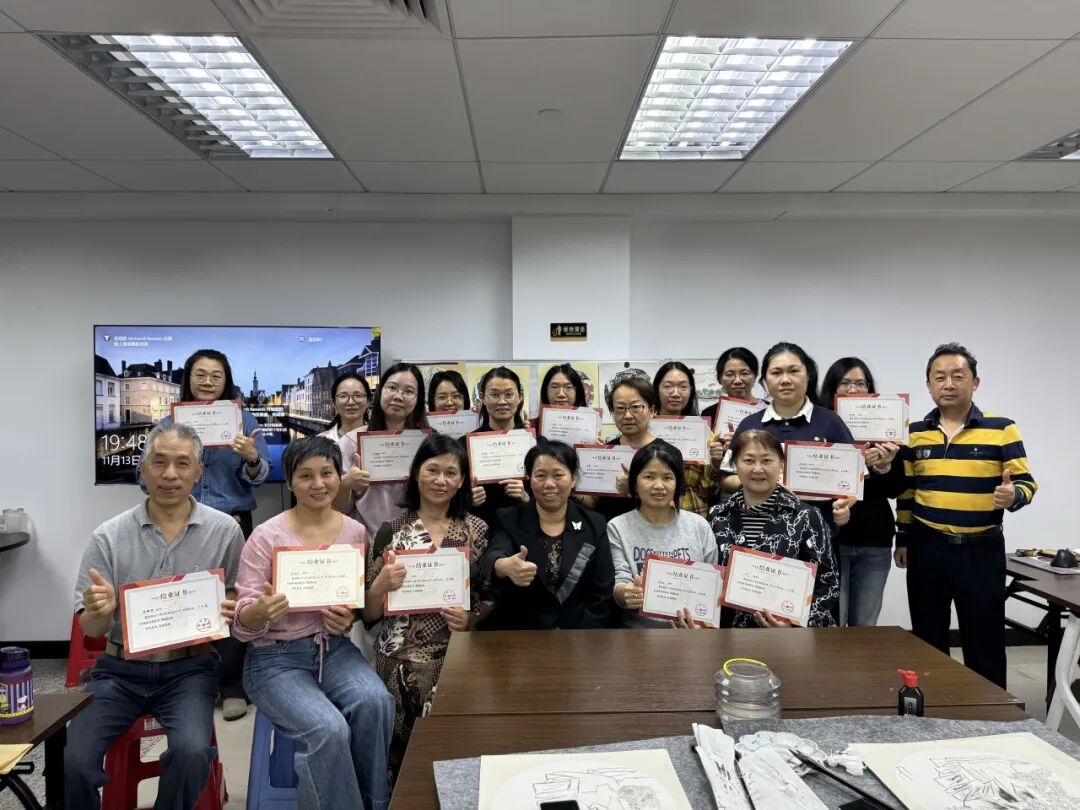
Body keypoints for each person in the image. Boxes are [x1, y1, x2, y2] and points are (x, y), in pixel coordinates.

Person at [66, 423, 244, 810]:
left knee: (192, 753)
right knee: (74, 759)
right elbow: (92, 629)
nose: (170, 474)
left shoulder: (225, 531)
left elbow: (234, 593)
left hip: (190, 670)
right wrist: (99, 612)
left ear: (198, 472)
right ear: (143, 469)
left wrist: (229, 606)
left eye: (182, 463)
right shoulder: (108, 537)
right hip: (119, 670)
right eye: (159, 462)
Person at [233, 436, 393, 810]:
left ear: (340, 476)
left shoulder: (354, 532)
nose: (318, 484)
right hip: (273, 660)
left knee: (377, 703)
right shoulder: (266, 536)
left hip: (332, 650)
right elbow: (241, 622)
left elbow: (353, 601)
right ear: (290, 482)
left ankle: (374, 803)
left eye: (327, 473)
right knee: (329, 730)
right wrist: (260, 611)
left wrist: (348, 616)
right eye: (305, 476)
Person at [895, 343, 1037, 688]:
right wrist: (903, 538)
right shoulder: (914, 432)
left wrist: (1013, 495)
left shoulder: (1002, 428)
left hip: (981, 551)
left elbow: (1026, 483)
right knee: (928, 636)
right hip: (928, 548)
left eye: (958, 376)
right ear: (929, 386)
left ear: (975, 383)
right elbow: (908, 492)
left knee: (984, 638)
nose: (948, 384)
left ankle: (989, 709)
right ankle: (934, 703)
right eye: (939, 377)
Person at [362, 435, 491, 777]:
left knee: (456, 751)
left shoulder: (477, 530)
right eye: (432, 470)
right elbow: (369, 615)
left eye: (451, 473)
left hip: (457, 656)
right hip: (399, 659)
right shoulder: (390, 532)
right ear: (416, 473)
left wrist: (470, 618)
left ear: (462, 481)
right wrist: (380, 585)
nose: (440, 480)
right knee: (404, 758)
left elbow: (488, 598)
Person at [157, 348, 270, 721]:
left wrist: (251, 456)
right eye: (200, 374)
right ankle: (185, 684)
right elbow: (145, 479)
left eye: (216, 376)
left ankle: (232, 685)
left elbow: (261, 475)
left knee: (234, 601)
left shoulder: (243, 419)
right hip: (178, 523)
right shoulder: (168, 425)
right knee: (183, 598)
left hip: (231, 522)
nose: (207, 382)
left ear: (226, 381)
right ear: (188, 379)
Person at [709, 430, 839, 628]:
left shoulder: (806, 516)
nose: (758, 469)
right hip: (729, 635)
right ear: (735, 465)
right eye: (748, 460)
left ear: (781, 464)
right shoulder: (717, 516)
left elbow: (828, 583)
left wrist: (793, 623)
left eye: (767, 460)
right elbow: (709, 580)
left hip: (793, 638)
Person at [482, 440, 618, 630]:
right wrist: (503, 565)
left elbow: (602, 592)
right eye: (540, 475)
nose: (549, 484)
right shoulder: (510, 518)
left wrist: (582, 636)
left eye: (558, 475)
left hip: (579, 635)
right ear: (529, 478)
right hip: (521, 634)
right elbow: (495, 552)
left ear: (573, 479)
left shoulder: (595, 524)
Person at [729, 342, 861, 532]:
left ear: (808, 375)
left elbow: (857, 478)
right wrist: (764, 479)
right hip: (757, 532)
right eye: (776, 373)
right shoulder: (749, 424)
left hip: (817, 533)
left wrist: (845, 505)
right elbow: (726, 479)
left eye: (793, 371)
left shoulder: (830, 421)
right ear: (765, 380)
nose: (785, 380)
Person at [819, 357, 906, 626]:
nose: (853, 389)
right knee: (832, 621)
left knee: (865, 624)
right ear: (832, 388)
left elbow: (896, 489)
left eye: (860, 383)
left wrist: (883, 465)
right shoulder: (821, 426)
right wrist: (856, 463)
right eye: (845, 383)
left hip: (873, 538)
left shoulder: (886, 428)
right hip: (832, 538)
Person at [608, 440, 719, 629]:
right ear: (634, 483)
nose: (659, 485)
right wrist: (626, 593)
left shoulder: (699, 526)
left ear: (678, 484)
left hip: (691, 632)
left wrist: (702, 624)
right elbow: (620, 581)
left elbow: (712, 586)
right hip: (636, 634)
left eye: (667, 477)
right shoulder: (617, 527)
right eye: (649, 477)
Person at [336, 362, 429, 538]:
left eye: (409, 391)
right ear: (380, 391)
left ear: (418, 399)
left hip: (416, 540)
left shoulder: (427, 443)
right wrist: (346, 484)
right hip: (365, 540)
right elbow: (341, 509)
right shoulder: (350, 442)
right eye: (392, 388)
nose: (398, 396)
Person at [652, 361, 723, 517]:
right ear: (657, 389)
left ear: (691, 390)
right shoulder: (645, 428)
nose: (675, 393)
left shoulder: (703, 432)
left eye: (683, 387)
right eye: (668, 386)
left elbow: (708, 491)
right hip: (651, 513)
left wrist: (716, 463)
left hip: (693, 514)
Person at [466, 367, 531, 526]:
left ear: (520, 397)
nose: (502, 401)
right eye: (494, 394)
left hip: (525, 527)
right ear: (482, 398)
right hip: (480, 529)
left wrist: (527, 497)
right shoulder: (465, 445)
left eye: (509, 394)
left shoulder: (534, 443)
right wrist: (467, 499)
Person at [587, 374, 658, 522]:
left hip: (652, 531)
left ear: (651, 411)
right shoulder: (606, 451)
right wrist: (576, 492)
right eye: (620, 408)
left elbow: (673, 504)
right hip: (610, 531)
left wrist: (633, 489)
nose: (627, 415)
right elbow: (595, 503)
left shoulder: (667, 453)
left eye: (636, 407)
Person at [701, 347, 762, 427]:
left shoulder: (769, 409)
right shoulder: (709, 414)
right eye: (730, 374)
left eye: (744, 373)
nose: (737, 381)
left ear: (755, 376)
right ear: (720, 379)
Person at [320, 372, 371, 441]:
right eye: (343, 396)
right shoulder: (319, 442)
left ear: (368, 401)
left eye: (358, 395)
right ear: (334, 403)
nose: (351, 402)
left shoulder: (381, 439)